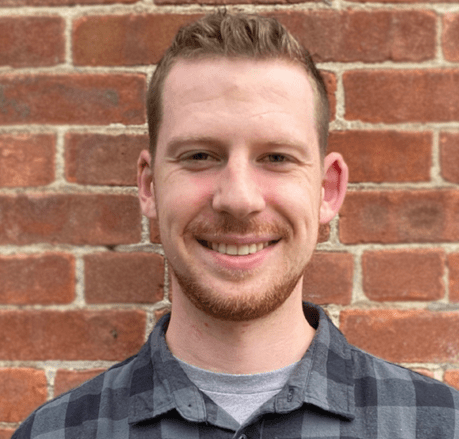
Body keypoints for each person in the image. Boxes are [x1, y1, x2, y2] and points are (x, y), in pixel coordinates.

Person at [13, 10, 459, 439]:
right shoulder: (54, 433)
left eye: (276, 157)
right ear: (149, 187)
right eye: (199, 156)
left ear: (327, 189)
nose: (239, 199)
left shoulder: (441, 425)